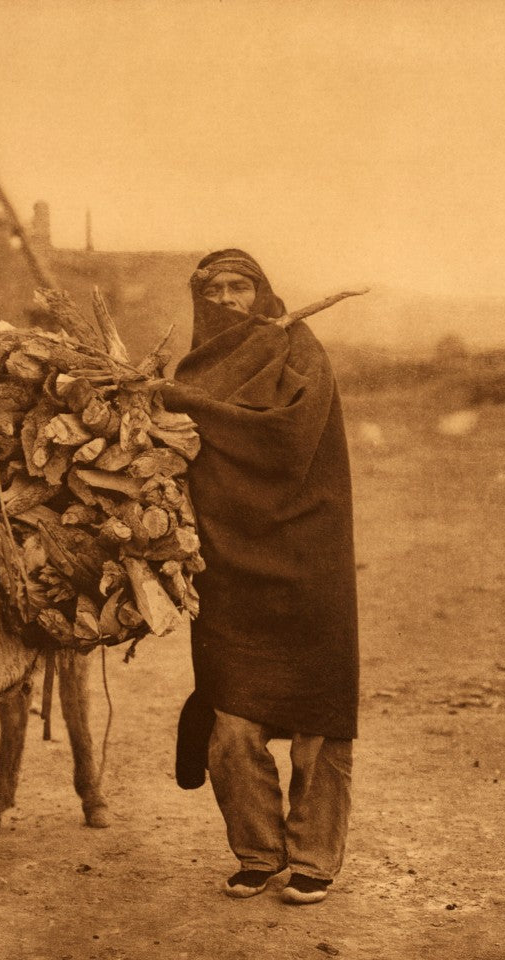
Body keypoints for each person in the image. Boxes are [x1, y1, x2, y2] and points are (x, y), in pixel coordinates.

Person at [163, 249, 360, 906]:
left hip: (308, 558)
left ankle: (314, 858)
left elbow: (287, 439)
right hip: (229, 563)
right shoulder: (192, 366)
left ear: (262, 292)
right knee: (232, 720)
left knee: (318, 720)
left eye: (239, 287)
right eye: (213, 288)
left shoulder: (299, 348)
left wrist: (194, 411)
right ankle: (257, 851)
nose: (226, 299)